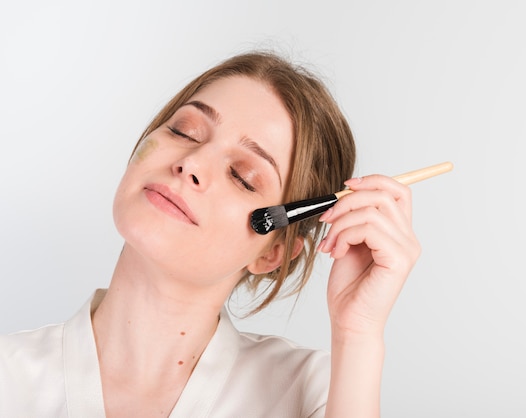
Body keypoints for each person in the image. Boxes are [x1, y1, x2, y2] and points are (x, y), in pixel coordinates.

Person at [0, 51, 420, 417]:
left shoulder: (312, 393)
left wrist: (358, 334)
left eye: (242, 176)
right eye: (184, 131)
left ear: (274, 253)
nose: (192, 163)